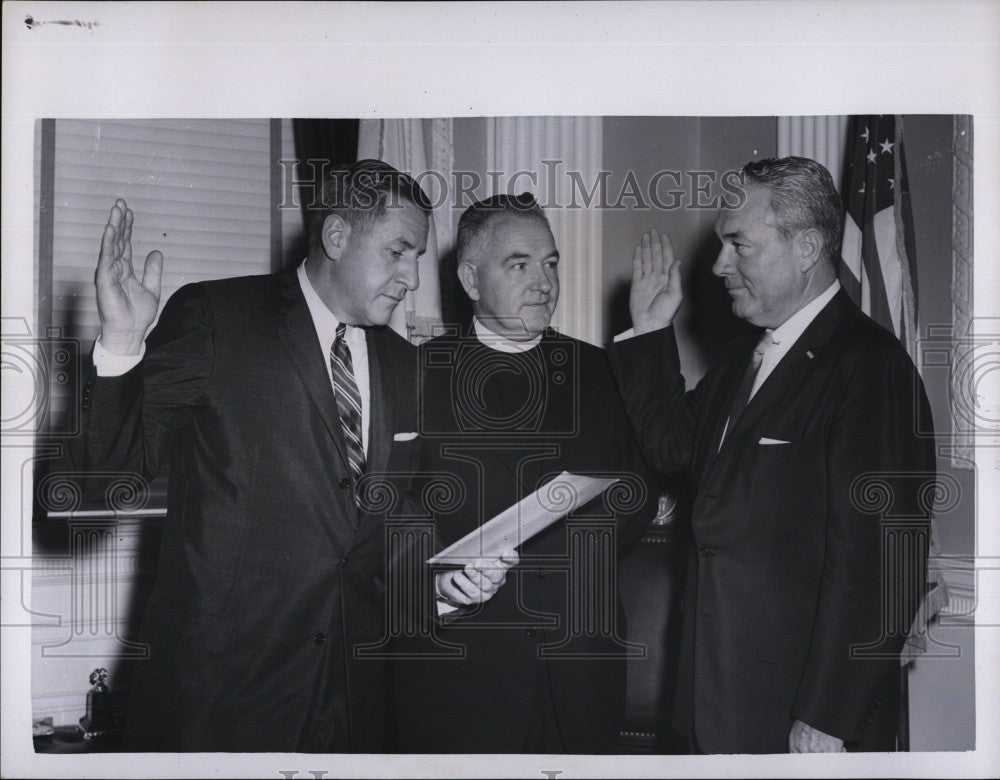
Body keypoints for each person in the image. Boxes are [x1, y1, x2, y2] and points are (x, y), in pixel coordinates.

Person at [71, 160, 434, 751]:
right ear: (337, 236)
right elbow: (99, 485)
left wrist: (444, 580)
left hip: (351, 705)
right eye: (399, 251)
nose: (412, 277)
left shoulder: (406, 363)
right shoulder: (218, 318)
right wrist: (121, 345)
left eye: (416, 257)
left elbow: (394, 524)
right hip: (219, 704)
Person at [610, 157, 935, 754]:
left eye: (739, 244)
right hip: (714, 698)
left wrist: (828, 717)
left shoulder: (870, 366)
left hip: (801, 718)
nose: (718, 265)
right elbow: (671, 446)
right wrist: (652, 332)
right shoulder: (744, 356)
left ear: (807, 246)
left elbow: (881, 562)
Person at [388, 194, 657, 753]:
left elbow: (640, 490)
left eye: (551, 263)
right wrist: (437, 584)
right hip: (462, 674)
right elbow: (385, 519)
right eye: (520, 264)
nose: (544, 282)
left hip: (582, 668)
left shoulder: (602, 370)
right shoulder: (410, 377)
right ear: (470, 279)